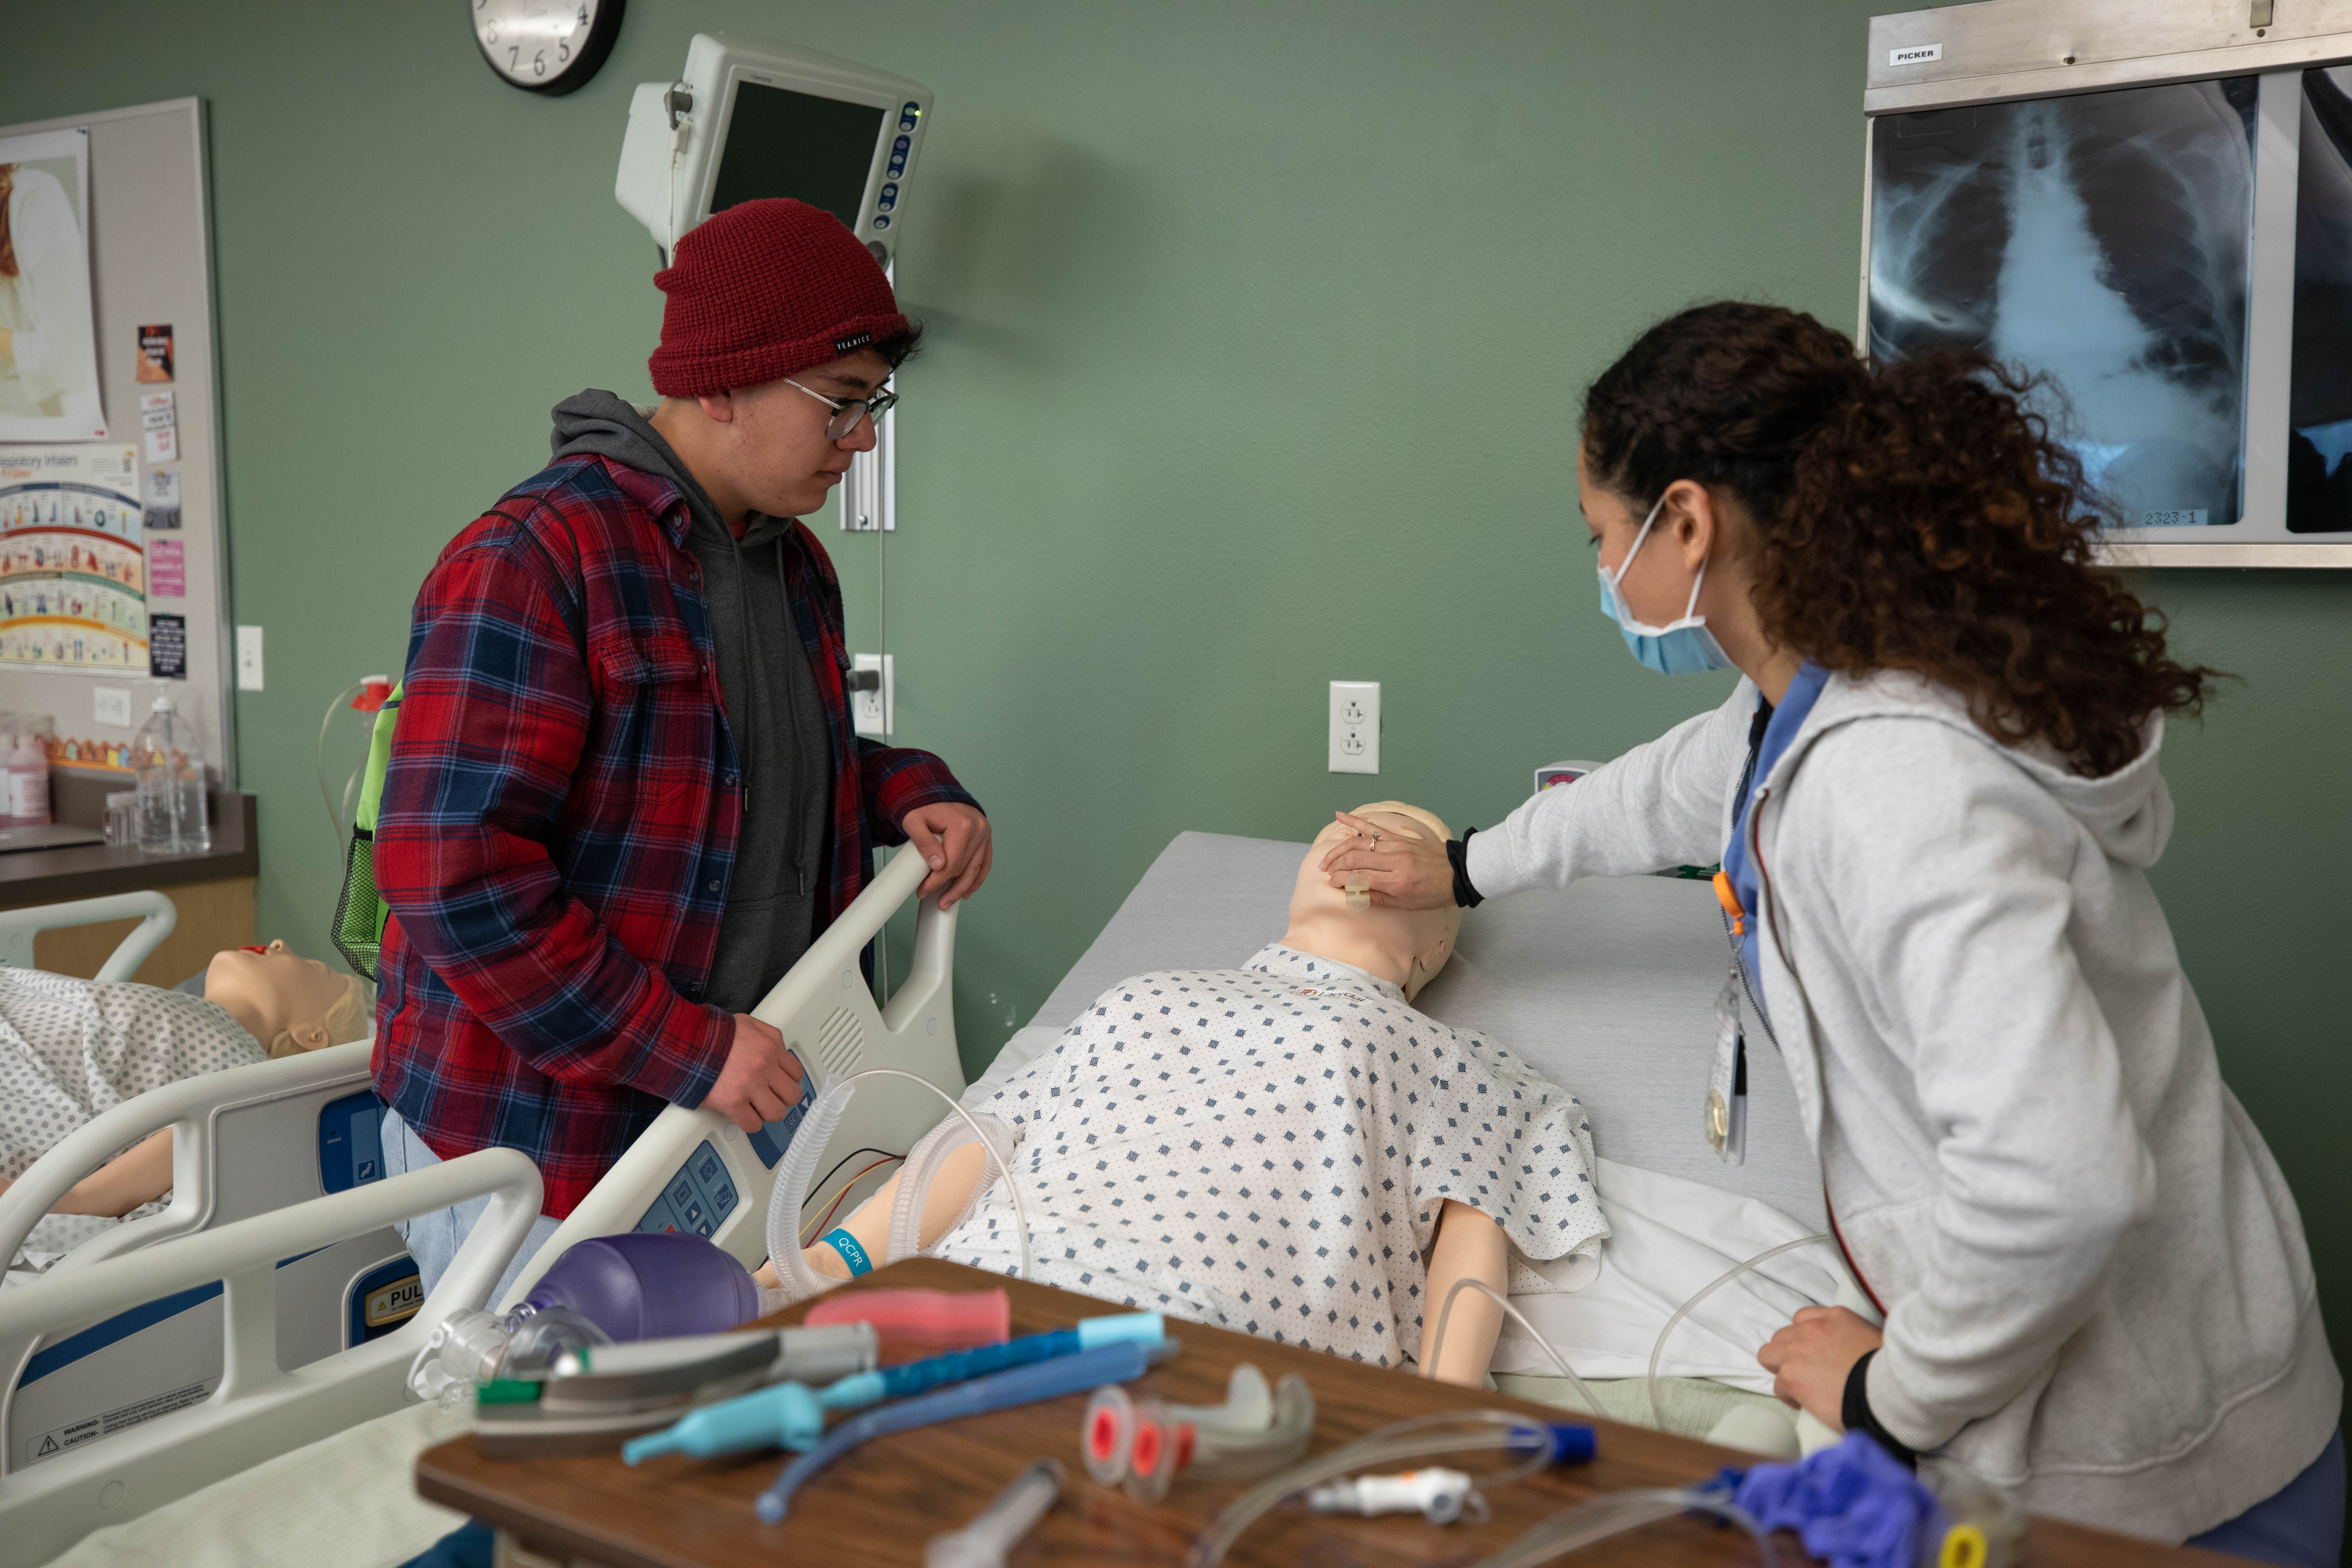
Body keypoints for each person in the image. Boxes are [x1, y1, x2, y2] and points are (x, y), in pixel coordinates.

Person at [1318, 302, 2342, 1561]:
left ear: (1683, 521)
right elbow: (1673, 785)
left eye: (1598, 536)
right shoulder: (1833, 689)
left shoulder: (1887, 786)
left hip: (2144, 1464)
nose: (1596, 572)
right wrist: (1465, 866)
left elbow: (2060, 1186)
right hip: (2184, 1377)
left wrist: (1883, 1394)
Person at [373, 198, 990, 1300]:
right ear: (721, 383)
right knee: (544, 1446)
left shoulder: (790, 566)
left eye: (873, 404)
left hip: (710, 1122)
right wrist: (684, 1043)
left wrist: (906, 789)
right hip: (536, 1140)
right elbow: (452, 876)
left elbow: (759, 772)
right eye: (840, 405)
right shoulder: (535, 556)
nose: (863, 439)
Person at [765, 803, 1608, 1387]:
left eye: (1406, 839)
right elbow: (984, 1140)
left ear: (1436, 944)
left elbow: (1475, 1228)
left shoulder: (1443, 1056)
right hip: (978, 1300)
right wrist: (824, 1267)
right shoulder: (1145, 992)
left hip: (1212, 1341)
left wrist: (1440, 1410)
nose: (1366, 833)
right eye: (1345, 828)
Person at [0, 941, 370, 1269]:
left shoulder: (248, 1079)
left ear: (312, 1035)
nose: (279, 943)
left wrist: (44, 1202)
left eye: (313, 968)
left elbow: (91, 1195)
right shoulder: (189, 1011)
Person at [0, 160, 102, 430]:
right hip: (21, 421)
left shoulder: (34, 197)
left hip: (73, 413)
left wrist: (6, 344)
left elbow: (67, 354)